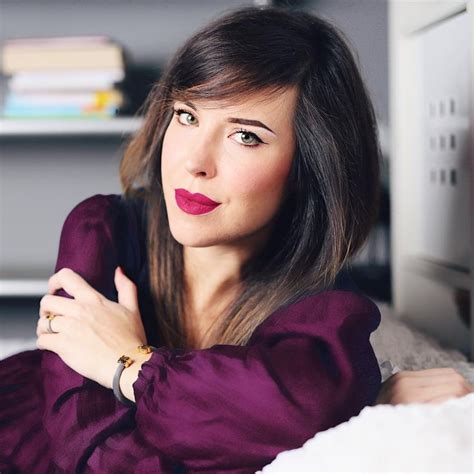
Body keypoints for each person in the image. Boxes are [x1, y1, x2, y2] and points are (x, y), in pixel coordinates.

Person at [0, 5, 471, 474]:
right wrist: (228, 424)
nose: (195, 162)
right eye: (186, 116)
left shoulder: (323, 316)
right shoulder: (101, 230)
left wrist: (127, 364)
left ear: (308, 169)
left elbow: (296, 414)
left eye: (245, 136)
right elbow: (85, 451)